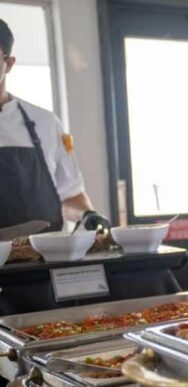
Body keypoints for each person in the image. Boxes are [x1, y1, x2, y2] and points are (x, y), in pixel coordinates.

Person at [0, 18, 109, 232]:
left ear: (9, 63)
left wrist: (88, 215)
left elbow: (70, 195)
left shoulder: (46, 123)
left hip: (45, 256)